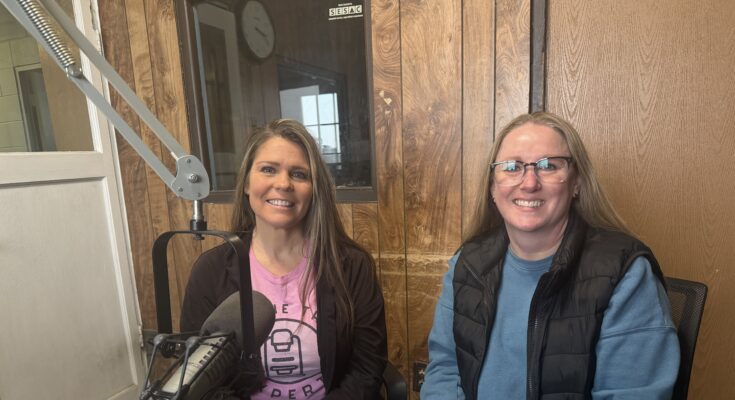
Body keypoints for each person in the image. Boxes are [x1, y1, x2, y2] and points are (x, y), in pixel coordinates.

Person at [420, 112, 679, 399]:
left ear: (576, 182)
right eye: (511, 167)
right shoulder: (467, 264)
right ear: (493, 187)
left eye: (548, 165)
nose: (529, 183)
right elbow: (445, 371)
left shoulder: (627, 275)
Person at [180, 119, 387, 399]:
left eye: (299, 174)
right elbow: (200, 380)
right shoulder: (210, 271)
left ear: (314, 189)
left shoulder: (352, 265)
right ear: (246, 183)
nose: (283, 183)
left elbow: (366, 369)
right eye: (268, 169)